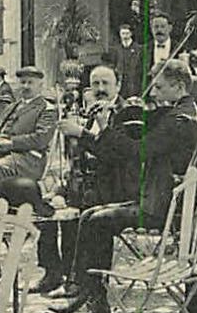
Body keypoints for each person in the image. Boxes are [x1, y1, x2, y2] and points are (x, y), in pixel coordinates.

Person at [52, 62, 197, 313]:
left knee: (97, 221)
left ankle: (94, 299)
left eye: (158, 87)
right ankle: (86, 293)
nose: (152, 93)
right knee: (90, 215)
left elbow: (136, 150)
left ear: (178, 86)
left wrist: (103, 128)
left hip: (162, 208)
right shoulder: (179, 112)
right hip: (160, 199)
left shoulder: (180, 120)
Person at [31, 63, 130, 296]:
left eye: (106, 83)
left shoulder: (126, 113)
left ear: (119, 85)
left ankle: (77, 281)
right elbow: (78, 160)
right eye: (95, 83)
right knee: (43, 203)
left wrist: (81, 134)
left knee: (75, 210)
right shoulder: (91, 112)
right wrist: (61, 188)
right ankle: (53, 271)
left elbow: (116, 156)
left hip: (116, 185)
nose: (101, 88)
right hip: (88, 182)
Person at [114, 23, 142, 93]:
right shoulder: (117, 49)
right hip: (121, 83)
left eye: (127, 33)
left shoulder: (138, 49)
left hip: (134, 82)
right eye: (123, 34)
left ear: (131, 34)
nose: (125, 36)